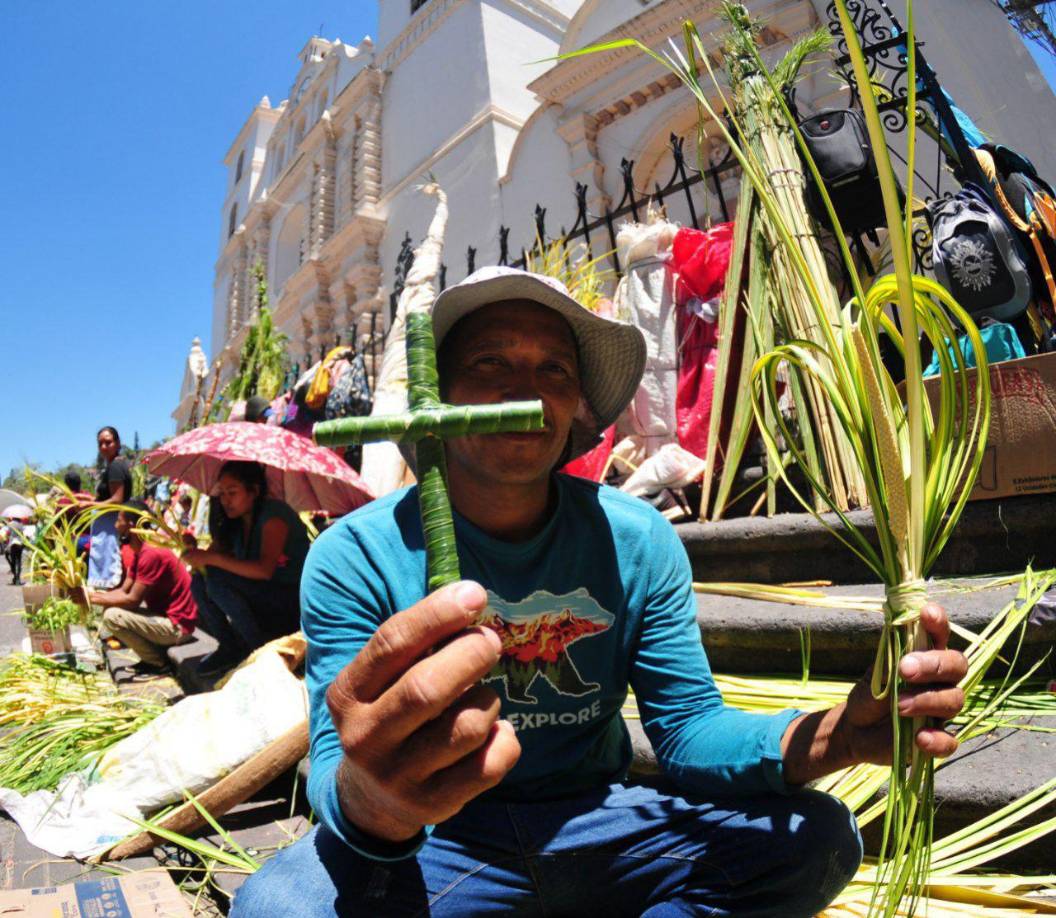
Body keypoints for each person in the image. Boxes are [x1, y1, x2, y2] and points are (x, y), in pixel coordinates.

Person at [232, 267, 969, 918]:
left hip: (596, 824)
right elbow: (334, 765)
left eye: (554, 370)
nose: (526, 388)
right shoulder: (353, 555)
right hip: (438, 844)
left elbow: (688, 731)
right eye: (490, 362)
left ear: (576, 410)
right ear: (439, 397)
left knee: (816, 839)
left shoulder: (636, 539)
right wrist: (377, 802)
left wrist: (840, 734)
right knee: (276, 909)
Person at [184, 461, 309, 677]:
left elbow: (264, 570)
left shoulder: (274, 515)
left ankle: (260, 650)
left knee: (217, 581)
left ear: (254, 491)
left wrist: (211, 558)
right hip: (261, 597)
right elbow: (210, 560)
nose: (225, 500)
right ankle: (229, 646)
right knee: (199, 580)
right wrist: (192, 551)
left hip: (289, 600)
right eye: (222, 493)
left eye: (232, 492)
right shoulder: (235, 522)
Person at [89, 500, 198, 675]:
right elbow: (123, 591)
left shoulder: (150, 553)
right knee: (110, 609)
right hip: (166, 619)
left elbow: (132, 600)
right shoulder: (141, 551)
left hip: (178, 628)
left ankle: (158, 663)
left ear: (131, 524)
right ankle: (155, 655)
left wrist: (92, 599)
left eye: (119, 520)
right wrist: (92, 595)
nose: (115, 526)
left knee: (112, 616)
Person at [87, 426, 134, 588]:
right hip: (109, 526)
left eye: (108, 442)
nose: (104, 447)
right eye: (100, 443)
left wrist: (88, 506)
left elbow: (116, 500)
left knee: (111, 574)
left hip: (110, 528)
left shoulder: (115, 467)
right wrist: (87, 499)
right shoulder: (117, 465)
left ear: (118, 443)